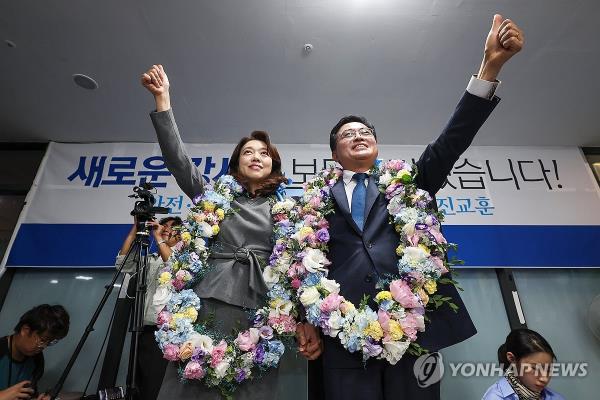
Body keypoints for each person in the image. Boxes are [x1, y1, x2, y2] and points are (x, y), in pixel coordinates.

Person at [316, 14, 524, 400]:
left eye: (365, 132)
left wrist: (489, 67)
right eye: (348, 134)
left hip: (415, 328)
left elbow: (452, 140)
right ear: (334, 153)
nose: (359, 136)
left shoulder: (410, 182)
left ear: (376, 145)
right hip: (340, 332)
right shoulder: (313, 204)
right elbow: (301, 269)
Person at [141, 65, 321, 399]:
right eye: (248, 152)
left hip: (263, 304)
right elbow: (178, 161)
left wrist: (300, 318)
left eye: (264, 153)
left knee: (252, 384)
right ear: (235, 163)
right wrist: (163, 100)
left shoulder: (291, 211)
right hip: (209, 296)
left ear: (274, 164)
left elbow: (299, 271)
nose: (256, 157)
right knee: (192, 378)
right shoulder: (214, 197)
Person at [115, 216, 182, 400]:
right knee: (136, 384)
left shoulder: (186, 259)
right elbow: (123, 263)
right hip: (142, 330)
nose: (166, 229)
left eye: (172, 228)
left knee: (154, 387)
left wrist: (159, 236)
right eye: (164, 226)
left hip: (167, 335)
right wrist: (136, 228)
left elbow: (173, 267)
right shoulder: (150, 259)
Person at [0, 304, 69, 400]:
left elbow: (28, 395)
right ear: (25, 330)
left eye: (49, 342)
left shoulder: (37, 360)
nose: (44, 347)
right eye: (42, 340)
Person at [482, 328, 565, 399]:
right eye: (535, 368)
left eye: (548, 370)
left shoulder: (555, 397)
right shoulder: (495, 397)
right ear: (512, 359)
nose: (544, 379)